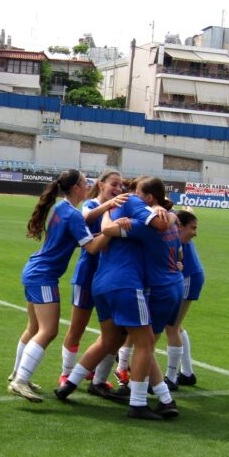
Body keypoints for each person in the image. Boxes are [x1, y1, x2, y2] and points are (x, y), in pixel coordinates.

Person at [54, 177, 177, 421]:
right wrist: (164, 213)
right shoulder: (140, 222)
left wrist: (110, 215)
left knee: (109, 339)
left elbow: (108, 229)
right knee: (145, 343)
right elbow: (161, 224)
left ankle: (70, 384)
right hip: (128, 285)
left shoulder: (121, 215)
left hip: (101, 284)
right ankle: (140, 403)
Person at [7, 169, 117, 403]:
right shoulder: (73, 214)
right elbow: (92, 248)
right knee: (49, 331)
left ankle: (17, 374)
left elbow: (75, 237)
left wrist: (100, 229)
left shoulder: (61, 208)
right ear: (76, 188)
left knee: (34, 328)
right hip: (44, 276)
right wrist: (111, 231)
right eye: (85, 182)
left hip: (35, 271)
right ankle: (20, 380)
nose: (88, 186)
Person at [59, 170, 128, 394]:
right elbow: (85, 218)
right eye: (114, 184)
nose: (118, 189)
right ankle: (66, 373)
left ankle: (95, 373)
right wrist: (109, 206)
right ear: (101, 184)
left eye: (121, 186)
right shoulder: (91, 205)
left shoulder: (118, 209)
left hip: (110, 278)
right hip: (88, 275)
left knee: (114, 332)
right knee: (77, 328)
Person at [164, 209, 203, 388]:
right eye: (192, 228)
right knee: (176, 327)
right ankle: (187, 373)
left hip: (188, 277)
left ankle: (171, 378)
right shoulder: (171, 224)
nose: (195, 233)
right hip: (189, 275)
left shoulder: (171, 226)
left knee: (172, 327)